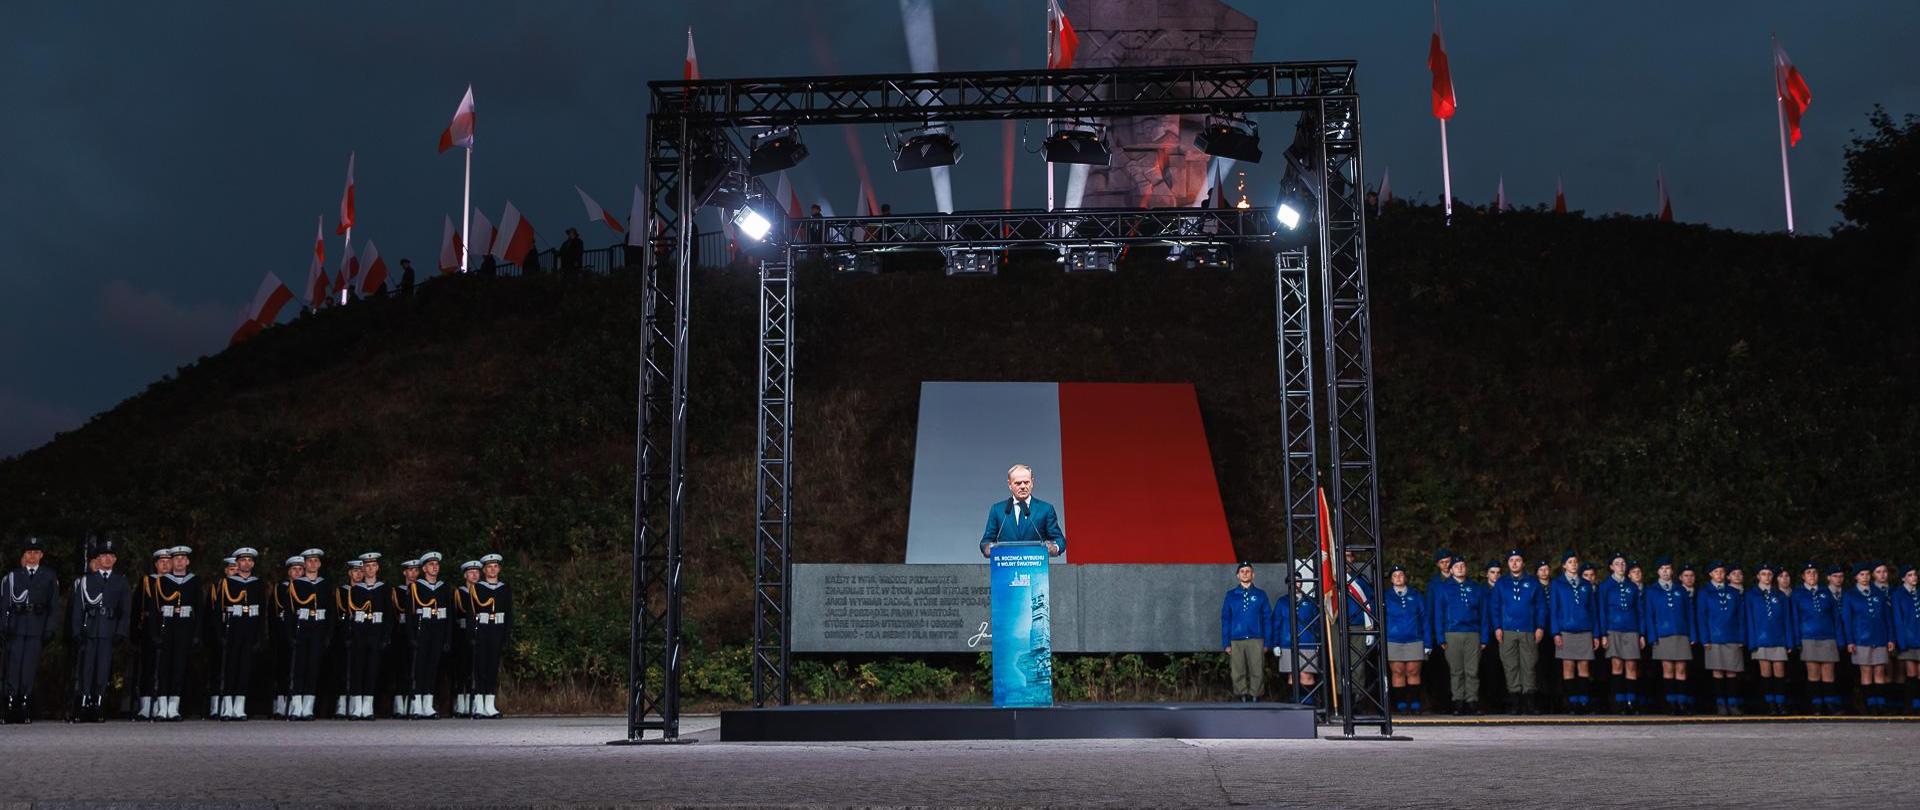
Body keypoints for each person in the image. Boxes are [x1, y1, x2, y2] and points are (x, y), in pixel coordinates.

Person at [68, 537, 131, 722]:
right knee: (86, 669)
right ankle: (83, 705)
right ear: (98, 559)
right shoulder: (87, 580)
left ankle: (98, 705)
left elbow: (125, 611)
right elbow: (78, 609)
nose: (107, 559)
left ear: (115, 559)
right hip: (90, 629)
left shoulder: (121, 582)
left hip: (108, 630)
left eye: (111, 556)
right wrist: (76, 631)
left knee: (103, 670)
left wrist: (121, 632)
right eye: (104, 556)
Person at [2, 536, 59, 724]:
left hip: (36, 626)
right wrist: (4, 626)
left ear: (41, 555)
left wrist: (50, 628)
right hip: (16, 627)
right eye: (29, 552)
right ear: (24, 555)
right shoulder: (13, 576)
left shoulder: (49, 576)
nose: (32, 556)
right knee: (13, 667)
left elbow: (53, 606)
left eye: (36, 553)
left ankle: (24, 704)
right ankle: (10, 704)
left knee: (28, 667)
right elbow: (4, 605)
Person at [145, 545, 200, 721]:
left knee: (179, 668)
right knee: (163, 668)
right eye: (176, 559)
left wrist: (196, 633)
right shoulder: (162, 581)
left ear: (188, 561)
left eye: (183, 558)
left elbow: (199, 610)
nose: (179, 562)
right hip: (166, 627)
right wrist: (154, 633)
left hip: (184, 628)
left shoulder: (194, 581)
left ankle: (174, 707)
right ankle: (162, 707)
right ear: (172, 561)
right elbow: (154, 609)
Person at [211, 547, 266, 720]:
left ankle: (239, 707)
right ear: (238, 563)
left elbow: (261, 612)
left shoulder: (258, 583)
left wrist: (259, 636)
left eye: (250, 560)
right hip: (232, 627)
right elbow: (218, 610)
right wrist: (220, 633)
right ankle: (227, 707)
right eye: (243, 560)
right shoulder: (227, 583)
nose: (246, 563)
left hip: (250, 627)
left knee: (244, 668)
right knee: (230, 667)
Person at [1491, 549, 1546, 713]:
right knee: (1510, 665)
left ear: (1523, 563)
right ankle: (1515, 701)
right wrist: (1497, 627)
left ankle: (1529, 701)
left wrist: (1540, 627)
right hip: (1507, 630)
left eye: (1518, 560)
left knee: (1529, 665)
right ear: (1508, 564)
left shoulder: (1533, 582)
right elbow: (1494, 607)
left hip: (1528, 629)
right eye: (1511, 560)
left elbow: (1541, 607)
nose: (1514, 563)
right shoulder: (1501, 583)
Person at [1433, 557, 1489, 715]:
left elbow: (1484, 614)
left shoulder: (1476, 588)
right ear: (1450, 570)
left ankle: (1472, 701)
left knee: (1472, 670)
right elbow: (1439, 614)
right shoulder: (1443, 588)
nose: (1460, 568)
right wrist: (1440, 637)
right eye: (1456, 566)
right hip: (1452, 632)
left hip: (1472, 633)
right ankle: (1458, 702)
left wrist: (1484, 637)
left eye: (1462, 565)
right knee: (1456, 671)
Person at [1548, 551, 1600, 713]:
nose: (1573, 564)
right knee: (1568, 666)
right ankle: (1571, 702)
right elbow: (1554, 610)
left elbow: (1593, 610)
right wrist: (1556, 632)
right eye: (1570, 562)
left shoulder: (1585, 584)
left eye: (1575, 561)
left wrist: (1596, 634)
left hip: (1584, 630)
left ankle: (1583, 701)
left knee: (1584, 667)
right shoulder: (1557, 584)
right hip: (1566, 630)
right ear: (1564, 565)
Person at [402, 551, 452, 719]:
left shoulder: (444, 587)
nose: (434, 567)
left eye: (436, 565)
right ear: (424, 568)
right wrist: (411, 636)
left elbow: (449, 615)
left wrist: (447, 638)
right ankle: (417, 705)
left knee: (432, 668)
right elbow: (409, 615)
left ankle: (428, 704)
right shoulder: (415, 587)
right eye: (431, 565)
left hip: (437, 631)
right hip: (421, 631)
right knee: (419, 669)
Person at [978, 464, 1066, 559]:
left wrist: (1054, 548)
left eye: (1026, 482)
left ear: (1032, 482)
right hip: (1005, 568)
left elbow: (1059, 540)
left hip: (1036, 568)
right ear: (1009, 484)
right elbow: (986, 541)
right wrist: (987, 549)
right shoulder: (998, 510)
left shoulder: (1045, 509)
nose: (1023, 486)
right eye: (1018, 483)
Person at [342, 552, 391, 720]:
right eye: (367, 566)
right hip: (360, 634)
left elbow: (388, 614)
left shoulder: (384, 588)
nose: (370, 569)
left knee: (372, 670)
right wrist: (350, 635)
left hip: (376, 633)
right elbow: (351, 615)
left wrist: (386, 636)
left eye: (373, 566)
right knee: (358, 669)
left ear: (377, 568)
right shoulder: (355, 589)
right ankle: (357, 708)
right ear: (363, 568)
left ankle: (368, 707)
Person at [1790, 561, 1843, 714]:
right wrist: (1797, 639)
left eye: (1814, 572)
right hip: (1808, 637)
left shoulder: (1826, 592)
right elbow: (1795, 618)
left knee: (1828, 672)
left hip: (1828, 636)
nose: (1812, 575)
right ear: (1802, 576)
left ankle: (1831, 704)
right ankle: (1816, 705)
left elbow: (1836, 618)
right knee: (1813, 673)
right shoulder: (1798, 594)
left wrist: (1839, 639)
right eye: (1808, 572)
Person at [1842, 563, 1895, 714]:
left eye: (1866, 574)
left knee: (1879, 670)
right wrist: (1850, 641)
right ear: (1856, 577)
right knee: (1866, 672)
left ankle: (1881, 704)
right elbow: (1847, 620)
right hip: (1861, 639)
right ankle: (1870, 705)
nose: (1865, 577)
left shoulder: (1878, 593)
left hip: (1880, 637)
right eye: (1861, 574)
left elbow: (1887, 618)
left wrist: (1890, 638)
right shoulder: (1850, 595)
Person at [1695, 561, 1746, 715]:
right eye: (1716, 572)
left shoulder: (1734, 592)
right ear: (1711, 574)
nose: (1719, 574)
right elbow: (1701, 616)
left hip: (1732, 636)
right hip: (1714, 637)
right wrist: (1705, 638)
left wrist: (1741, 637)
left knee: (1732, 671)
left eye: (1722, 572)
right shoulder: (1704, 592)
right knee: (1717, 671)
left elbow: (1741, 617)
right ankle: (1720, 704)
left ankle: (1733, 704)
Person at [1643, 557, 1693, 715]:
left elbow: (1689, 614)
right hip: (1663, 634)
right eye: (1662, 568)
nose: (1665, 571)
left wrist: (1692, 635)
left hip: (1681, 633)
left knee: (1681, 668)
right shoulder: (1651, 591)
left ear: (1672, 571)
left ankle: (1682, 703)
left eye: (1668, 568)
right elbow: (1649, 615)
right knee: (1668, 668)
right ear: (1658, 571)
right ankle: (1671, 703)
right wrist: (1652, 636)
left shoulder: (1680, 590)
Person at [1597, 553, 1645, 714]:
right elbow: (1602, 611)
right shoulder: (1605, 586)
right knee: (1616, 665)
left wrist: (1642, 633)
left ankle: (1632, 701)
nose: (1621, 566)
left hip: (1631, 628)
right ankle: (1618, 702)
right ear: (1611, 567)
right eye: (1617, 563)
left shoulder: (1632, 586)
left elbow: (1639, 611)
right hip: (1613, 628)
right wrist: (1603, 634)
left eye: (1623, 563)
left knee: (1631, 665)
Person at [1744, 564, 1794, 715]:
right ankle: (1769, 703)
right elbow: (1749, 620)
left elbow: (1787, 620)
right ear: (1758, 576)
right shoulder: (1751, 595)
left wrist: (1789, 641)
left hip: (1778, 638)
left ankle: (1781, 703)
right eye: (1763, 574)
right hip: (1761, 639)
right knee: (1765, 673)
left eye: (1769, 574)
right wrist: (1752, 642)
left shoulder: (1780, 595)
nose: (1767, 577)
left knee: (1779, 672)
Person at [1382, 565, 1431, 715]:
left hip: (1414, 638)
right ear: (1391, 579)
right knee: (1398, 671)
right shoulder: (1386, 596)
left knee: (1413, 671)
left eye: (1401, 575)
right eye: (1395, 575)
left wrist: (1427, 642)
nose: (1398, 578)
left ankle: (1415, 704)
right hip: (1393, 639)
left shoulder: (1416, 595)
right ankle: (1401, 705)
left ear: (1405, 577)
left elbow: (1425, 619)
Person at [467, 553, 511, 718]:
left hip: (497, 630)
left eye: (495, 566)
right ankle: (479, 705)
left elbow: (509, 614)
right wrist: (471, 634)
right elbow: (471, 613)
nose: (493, 569)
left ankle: (490, 705)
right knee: (480, 668)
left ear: (499, 569)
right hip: (483, 630)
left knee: (493, 668)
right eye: (489, 567)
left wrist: (506, 636)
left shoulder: (504, 588)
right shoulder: (477, 588)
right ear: (484, 570)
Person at [1219, 562, 1269, 702]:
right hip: (1236, 638)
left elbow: (1267, 618)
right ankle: (1242, 696)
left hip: (1256, 638)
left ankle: (1255, 696)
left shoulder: (1260, 594)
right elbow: (1225, 619)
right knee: (1237, 671)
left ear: (1253, 575)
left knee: (1257, 670)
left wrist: (1267, 641)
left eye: (1248, 571)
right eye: (1242, 571)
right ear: (1237, 575)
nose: (1245, 573)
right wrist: (1226, 643)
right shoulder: (1231, 595)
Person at [133, 547, 172, 719]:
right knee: (148, 667)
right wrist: (134, 630)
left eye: (168, 562)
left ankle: (162, 705)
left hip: (169, 626)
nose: (165, 565)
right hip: (149, 628)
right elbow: (137, 608)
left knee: (166, 667)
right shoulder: (147, 581)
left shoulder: (175, 582)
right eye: (161, 562)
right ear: (156, 564)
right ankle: (145, 705)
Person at [1270, 580, 1321, 705]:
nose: (1296, 584)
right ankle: (1295, 702)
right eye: (1294, 582)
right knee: (1293, 676)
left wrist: (1318, 641)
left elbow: (1317, 623)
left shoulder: (1310, 601)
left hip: (1308, 642)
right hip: (1287, 643)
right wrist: (1276, 643)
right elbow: (1276, 623)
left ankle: (1308, 702)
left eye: (1298, 582)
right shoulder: (1282, 602)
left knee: (1307, 675)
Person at [390, 558, 421, 717]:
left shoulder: (421, 590)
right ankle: (399, 702)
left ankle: (413, 701)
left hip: (417, 631)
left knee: (413, 668)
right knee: (400, 667)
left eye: (416, 570)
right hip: (400, 632)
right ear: (405, 572)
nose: (413, 573)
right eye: (410, 570)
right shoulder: (399, 590)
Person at [452, 560, 483, 717]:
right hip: (463, 633)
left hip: (479, 633)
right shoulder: (460, 592)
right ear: (465, 575)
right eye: (471, 572)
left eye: (477, 572)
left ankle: (475, 702)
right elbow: (458, 614)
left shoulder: (482, 591)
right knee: (462, 669)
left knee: (476, 669)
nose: (474, 575)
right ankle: (460, 702)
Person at [1892, 565, 1920, 714]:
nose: (1913, 577)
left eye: (1914, 574)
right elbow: (1898, 619)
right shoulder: (1898, 594)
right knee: (1910, 673)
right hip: (1908, 640)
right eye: (1909, 575)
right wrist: (1901, 642)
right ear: (1903, 578)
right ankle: (1911, 706)